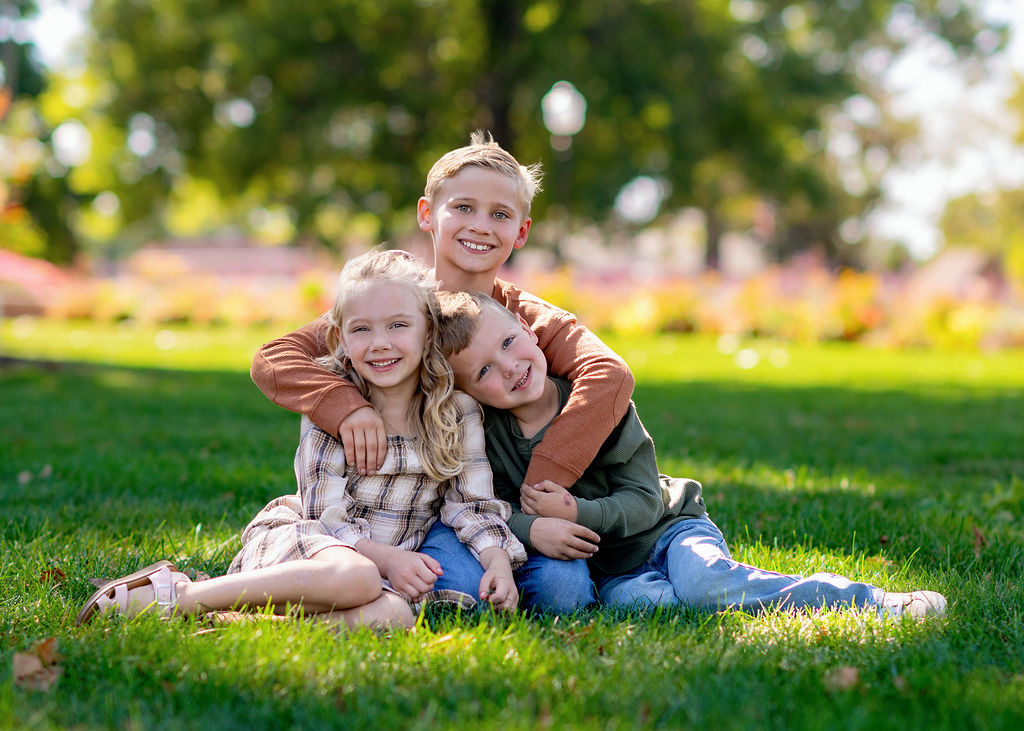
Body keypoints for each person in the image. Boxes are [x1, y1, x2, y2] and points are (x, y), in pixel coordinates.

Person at [249, 132, 627, 612]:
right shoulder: (390, 307)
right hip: (396, 508)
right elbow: (274, 357)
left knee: (561, 595)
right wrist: (347, 409)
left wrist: (542, 483)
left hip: (495, 506)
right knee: (452, 594)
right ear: (428, 214)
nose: (480, 226)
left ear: (522, 232)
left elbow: (608, 374)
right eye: (463, 208)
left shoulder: (525, 318)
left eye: (500, 214)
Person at [76, 250, 526, 630]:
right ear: (341, 340)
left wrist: (498, 561)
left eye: (398, 326)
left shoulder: (454, 411)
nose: (380, 344)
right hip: (315, 543)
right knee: (360, 580)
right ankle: (180, 595)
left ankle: (234, 622)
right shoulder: (333, 403)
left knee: (395, 615)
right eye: (362, 329)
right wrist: (385, 560)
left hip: (386, 566)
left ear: (428, 331)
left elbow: (472, 506)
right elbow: (324, 514)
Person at [433, 289, 948, 619]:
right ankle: (700, 592)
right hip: (614, 571)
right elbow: (491, 507)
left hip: (665, 530)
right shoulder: (487, 433)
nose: (506, 368)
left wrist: (579, 512)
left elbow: (643, 499)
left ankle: (874, 602)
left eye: (507, 343)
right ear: (470, 393)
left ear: (529, 331)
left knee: (702, 582)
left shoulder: (593, 404)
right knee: (643, 606)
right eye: (481, 373)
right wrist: (529, 529)